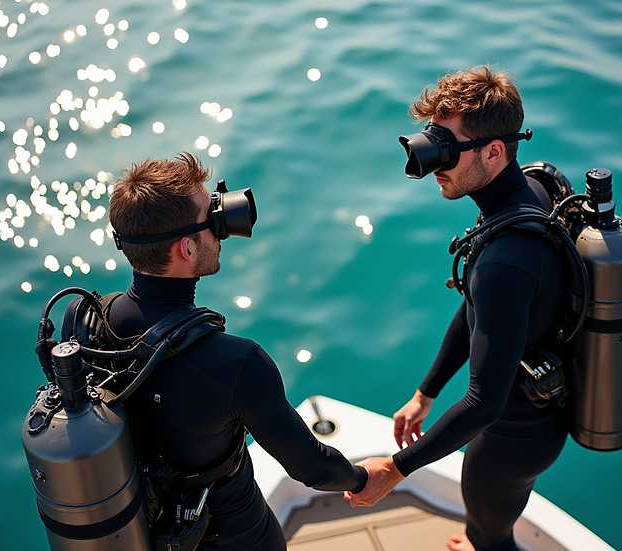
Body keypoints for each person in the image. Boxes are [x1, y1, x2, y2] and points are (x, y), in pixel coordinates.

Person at [66, 152, 367, 550]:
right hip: (235, 537)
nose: (221, 230)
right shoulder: (236, 363)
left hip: (144, 532)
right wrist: (365, 478)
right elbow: (311, 467)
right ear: (187, 249)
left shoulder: (82, 321)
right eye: (214, 219)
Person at [344, 66, 569, 551]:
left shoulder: (504, 262)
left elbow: (483, 403)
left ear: (494, 151)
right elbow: (480, 311)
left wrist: (394, 468)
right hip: (536, 411)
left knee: (489, 537)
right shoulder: (532, 192)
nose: (433, 164)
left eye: (448, 149)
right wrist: (427, 392)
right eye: (432, 142)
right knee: (483, 528)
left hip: (514, 437)